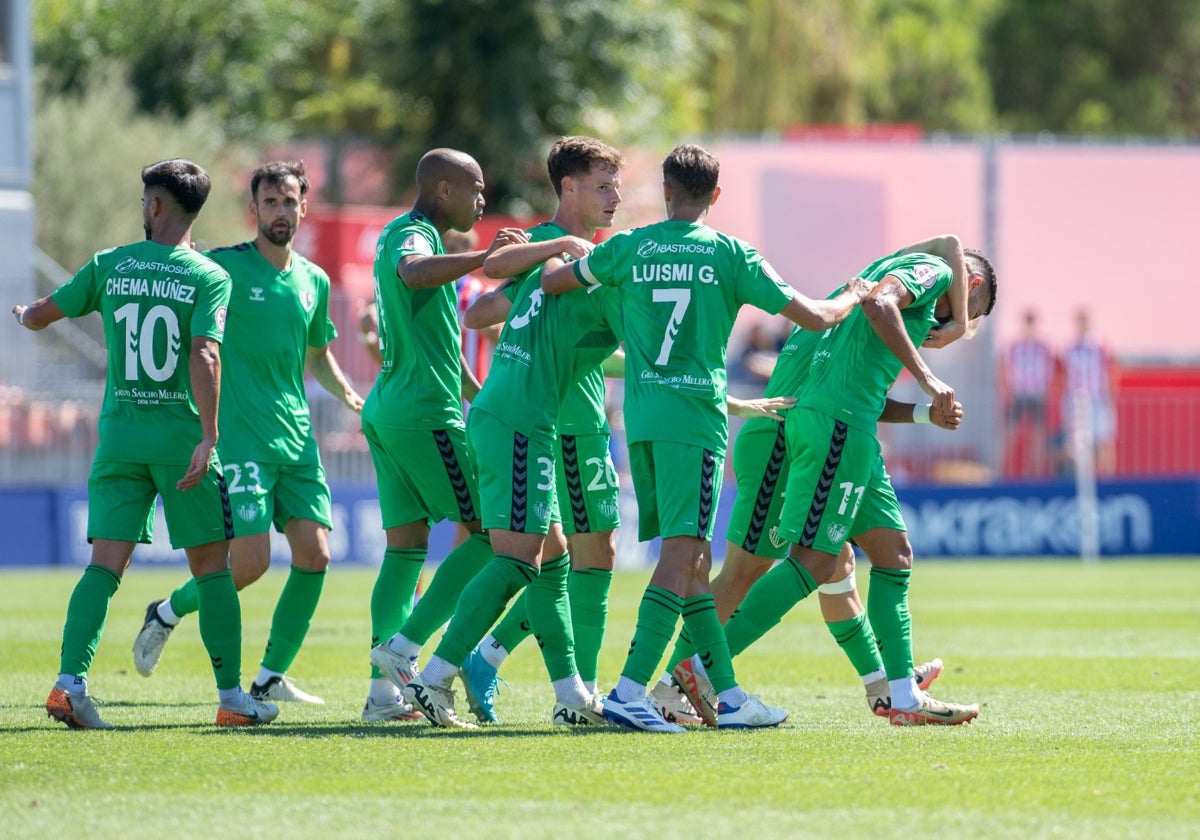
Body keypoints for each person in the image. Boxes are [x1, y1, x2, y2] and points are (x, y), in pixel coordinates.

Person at [541, 142, 870, 733]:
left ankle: (731, 696)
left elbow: (558, 282)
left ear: (666, 190)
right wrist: (856, 294)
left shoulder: (628, 246)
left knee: (697, 564)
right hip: (695, 421)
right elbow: (817, 316)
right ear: (715, 196)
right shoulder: (729, 254)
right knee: (682, 556)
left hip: (641, 422)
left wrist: (555, 252)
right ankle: (629, 690)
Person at [13, 159, 277, 728]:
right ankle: (232, 699)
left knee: (103, 567)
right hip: (181, 443)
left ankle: (69, 683)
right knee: (212, 569)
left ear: (155, 205)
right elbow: (204, 352)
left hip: (120, 440)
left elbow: (40, 316)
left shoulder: (111, 265)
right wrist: (209, 435)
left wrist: (24, 313)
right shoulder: (208, 276)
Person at [663, 240, 972, 724]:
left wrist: (920, 410)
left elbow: (859, 389)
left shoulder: (869, 280)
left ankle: (887, 687)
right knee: (763, 569)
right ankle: (677, 679)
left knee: (843, 561)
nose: (936, 331)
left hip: (816, 431)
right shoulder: (915, 280)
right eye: (966, 315)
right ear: (969, 288)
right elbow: (943, 250)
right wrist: (952, 337)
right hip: (784, 439)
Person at [131, 161, 364, 706]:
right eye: (271, 203)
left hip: (297, 441)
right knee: (250, 566)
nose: (281, 212)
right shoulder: (222, 269)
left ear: (304, 207)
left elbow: (318, 353)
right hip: (240, 442)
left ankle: (269, 676)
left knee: (316, 555)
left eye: (290, 202)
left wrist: (350, 393)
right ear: (253, 210)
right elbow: (181, 301)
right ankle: (166, 611)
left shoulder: (314, 279)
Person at [362, 148, 527, 722]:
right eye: (475, 190)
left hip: (389, 407)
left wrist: (483, 399)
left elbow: (441, 348)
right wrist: (487, 256)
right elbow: (413, 272)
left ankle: (382, 696)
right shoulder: (414, 238)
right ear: (443, 191)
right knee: (489, 532)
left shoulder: (391, 234)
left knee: (405, 548)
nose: (483, 201)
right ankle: (404, 651)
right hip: (423, 414)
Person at [1061, 308, 1118, 476]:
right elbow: (1064, 375)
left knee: (1104, 440)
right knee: (1081, 445)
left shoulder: (1099, 345)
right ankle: (1088, 479)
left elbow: (1111, 371)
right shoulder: (1070, 347)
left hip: (1099, 399)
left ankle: (1109, 479)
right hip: (1078, 401)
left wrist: (1109, 397)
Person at [1002, 308, 1055, 477]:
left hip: (1037, 393)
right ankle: (1005, 471)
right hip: (1019, 393)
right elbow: (1006, 368)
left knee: (1037, 436)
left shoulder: (1043, 346)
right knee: (1010, 433)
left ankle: (1036, 473)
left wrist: (1046, 389)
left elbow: (1049, 369)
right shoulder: (1015, 345)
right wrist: (1009, 389)